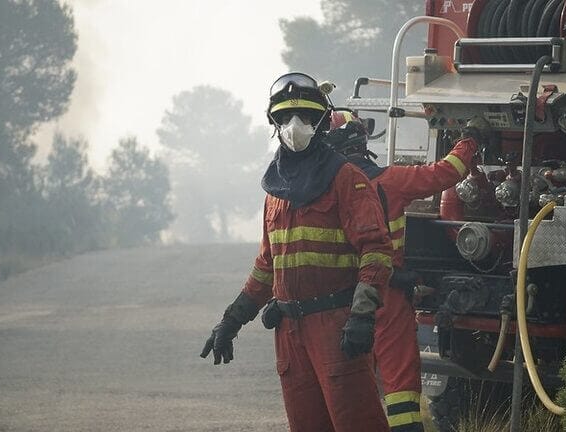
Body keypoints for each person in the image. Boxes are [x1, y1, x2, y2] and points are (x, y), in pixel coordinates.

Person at [200, 72, 395, 432]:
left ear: (321, 121)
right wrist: (231, 321)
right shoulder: (275, 189)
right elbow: (266, 266)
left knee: (358, 424)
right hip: (290, 333)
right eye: (286, 117)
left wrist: (363, 315)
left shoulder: (346, 179)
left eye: (306, 116)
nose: (295, 125)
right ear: (273, 122)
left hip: (336, 326)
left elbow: (377, 251)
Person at [326, 109, 488, 432]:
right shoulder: (392, 181)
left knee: (352, 383)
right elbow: (445, 173)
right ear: (362, 143)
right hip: (388, 298)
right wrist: (470, 139)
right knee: (400, 382)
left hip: (342, 301)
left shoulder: (323, 194)